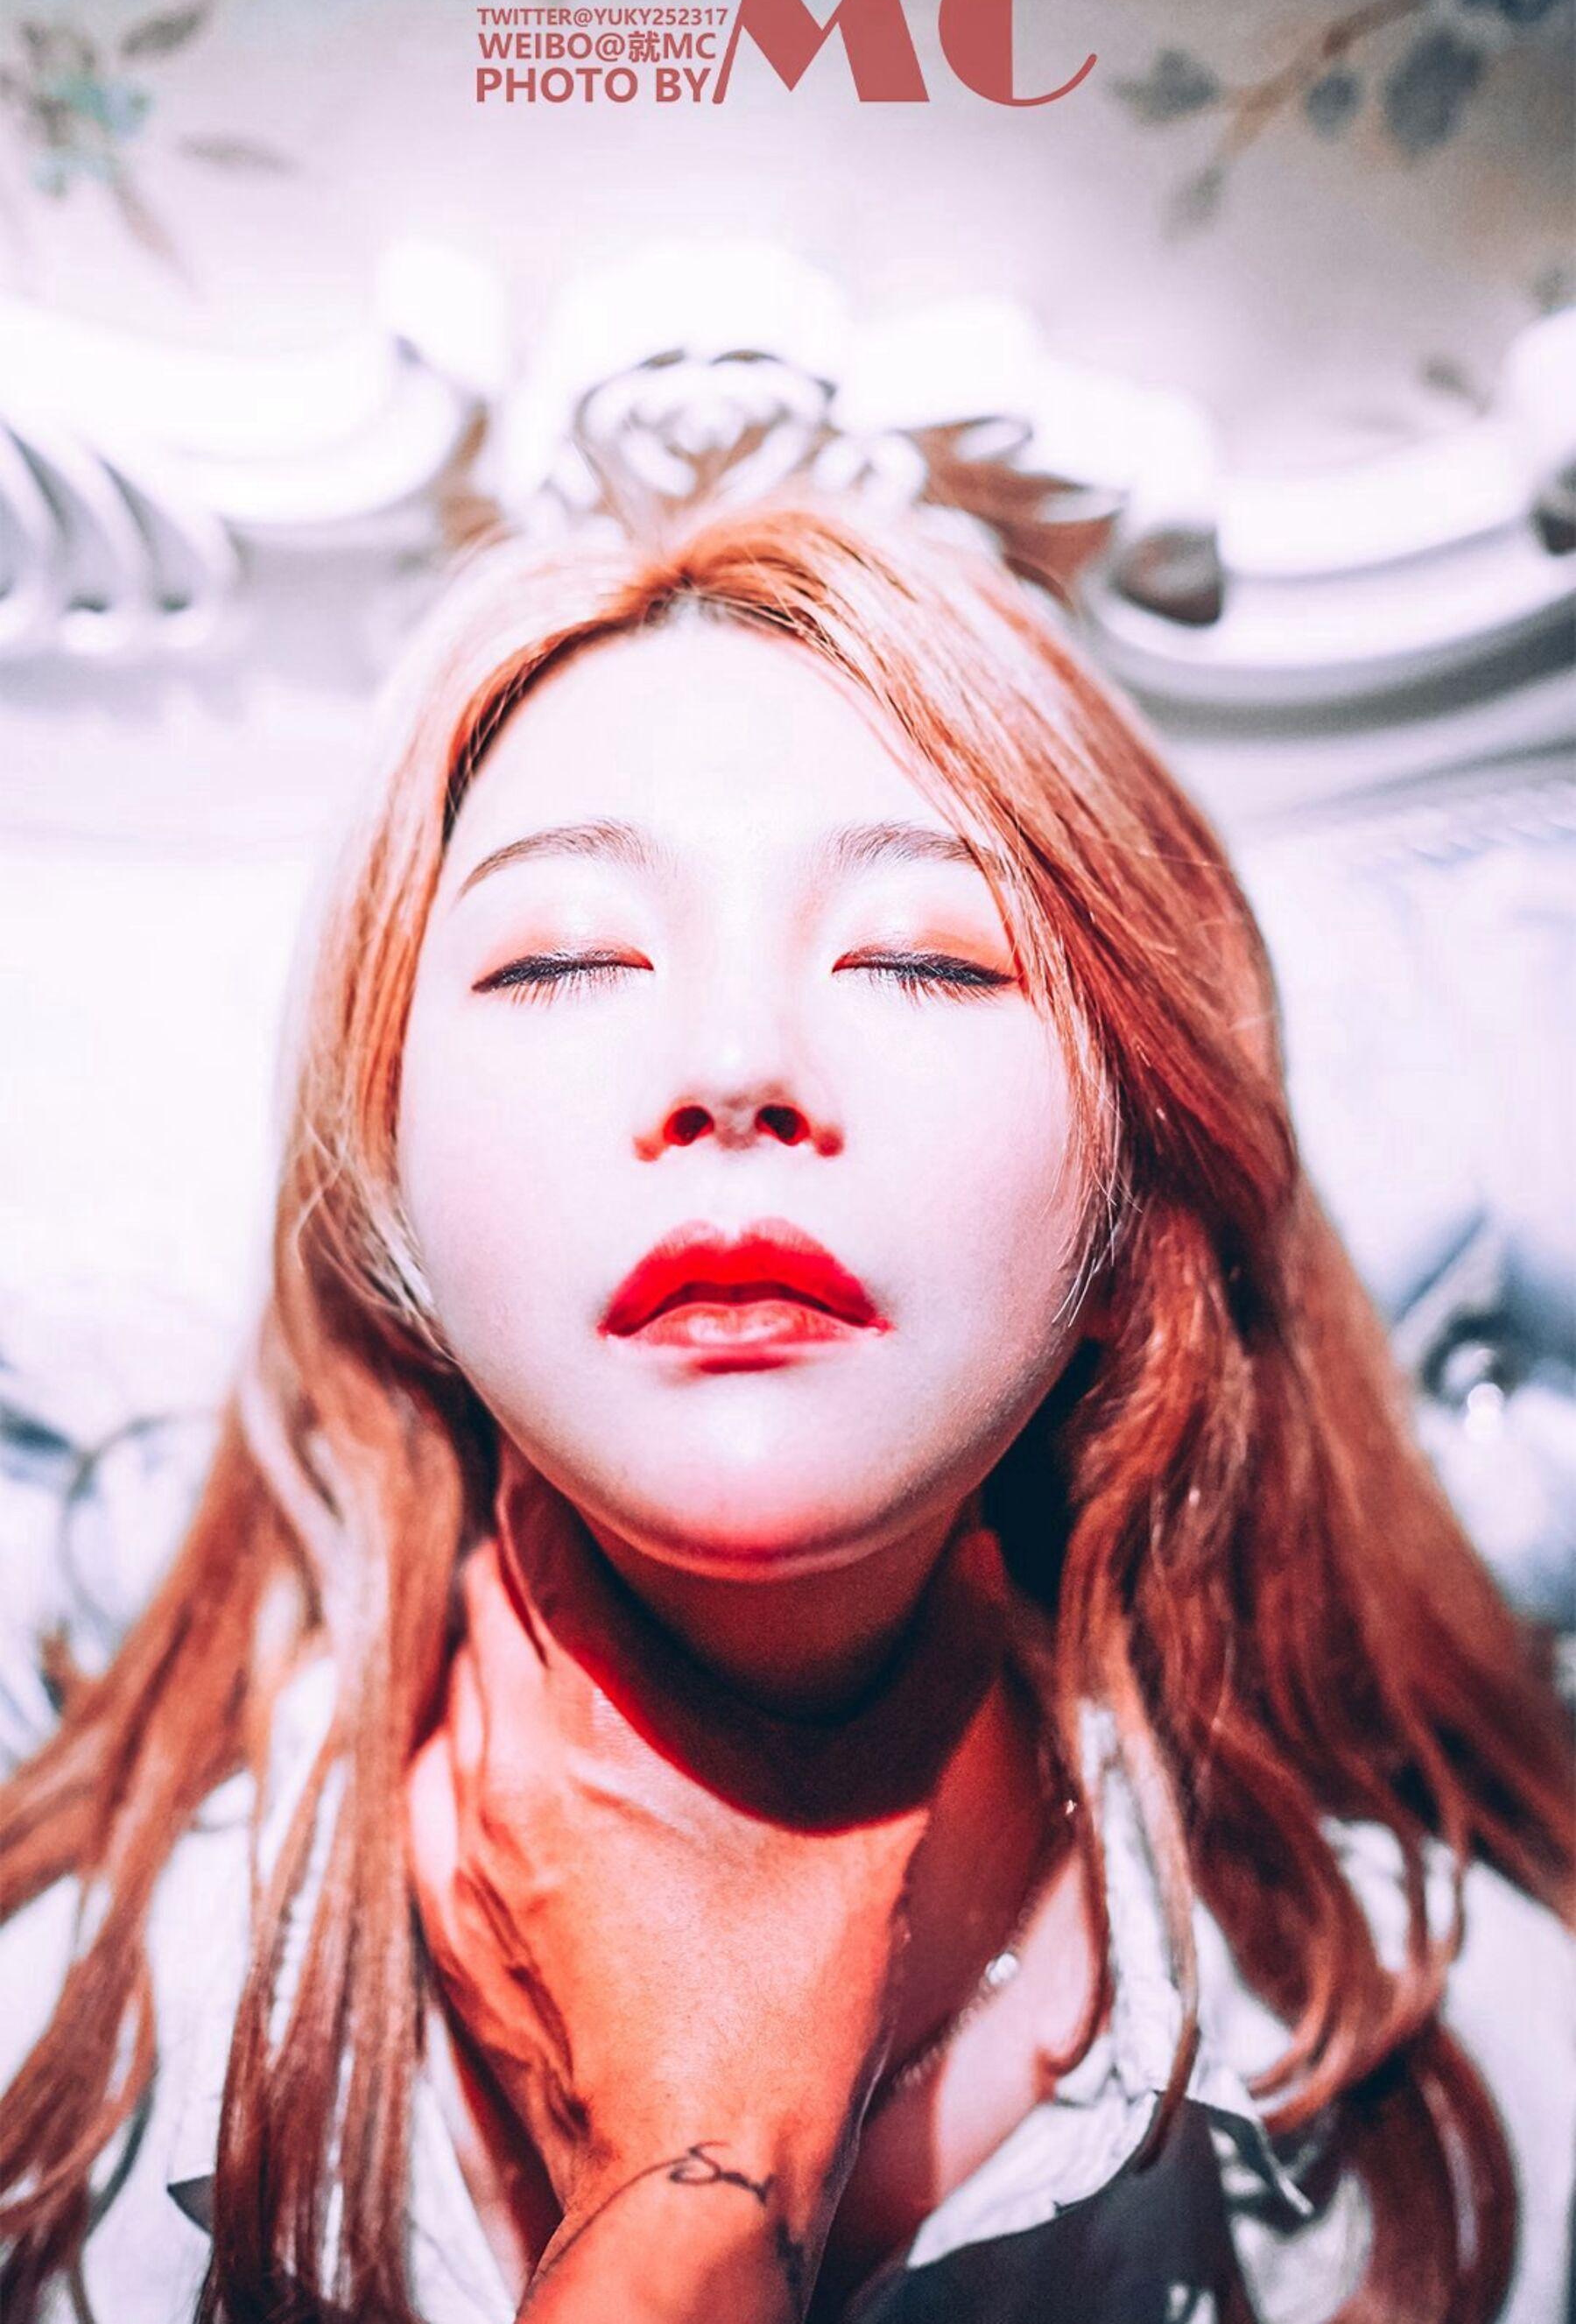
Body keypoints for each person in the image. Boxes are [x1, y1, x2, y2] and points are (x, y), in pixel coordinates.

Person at [0, 490, 1571, 2324]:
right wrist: (700, 2170)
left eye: (927, 956)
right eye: (562, 957)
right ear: (385, 1203)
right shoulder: (49, 2079)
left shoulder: (1515, 2088)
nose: (736, 1065)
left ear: (1139, 1192)